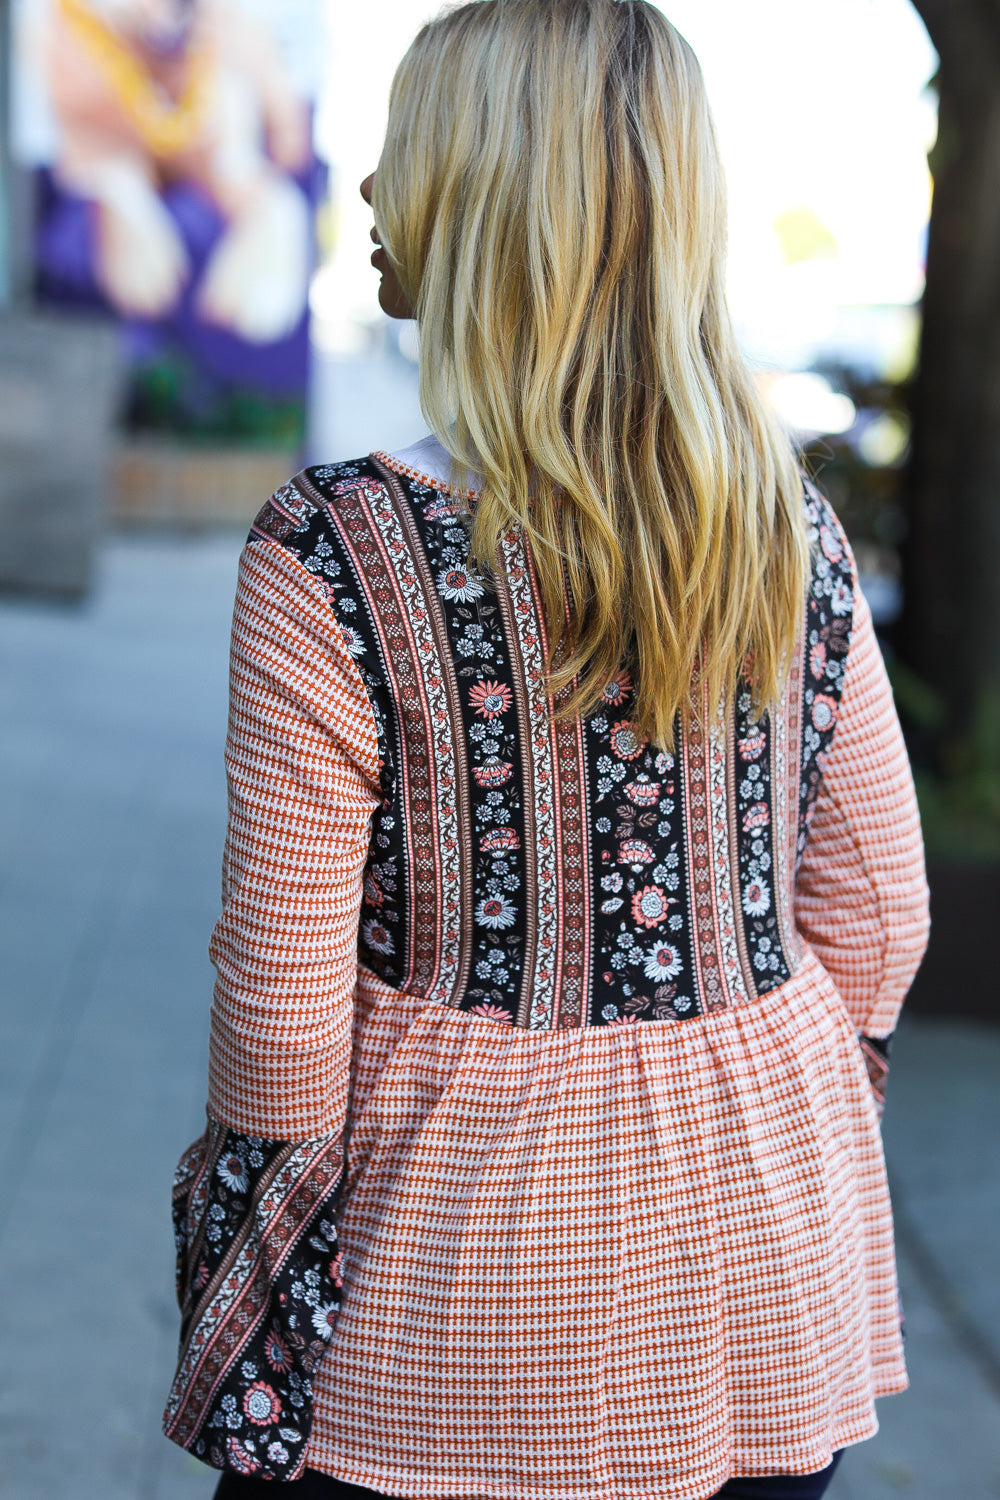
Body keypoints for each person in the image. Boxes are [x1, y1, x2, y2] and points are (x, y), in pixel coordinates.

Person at [162, 3, 931, 1498]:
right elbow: (880, 911)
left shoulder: (336, 550)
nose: (372, 188)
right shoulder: (791, 533)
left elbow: (280, 1010)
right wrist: (748, 1093)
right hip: (772, 1285)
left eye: (403, 149)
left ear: (482, 198)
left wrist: (249, 1266)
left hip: (453, 1290)